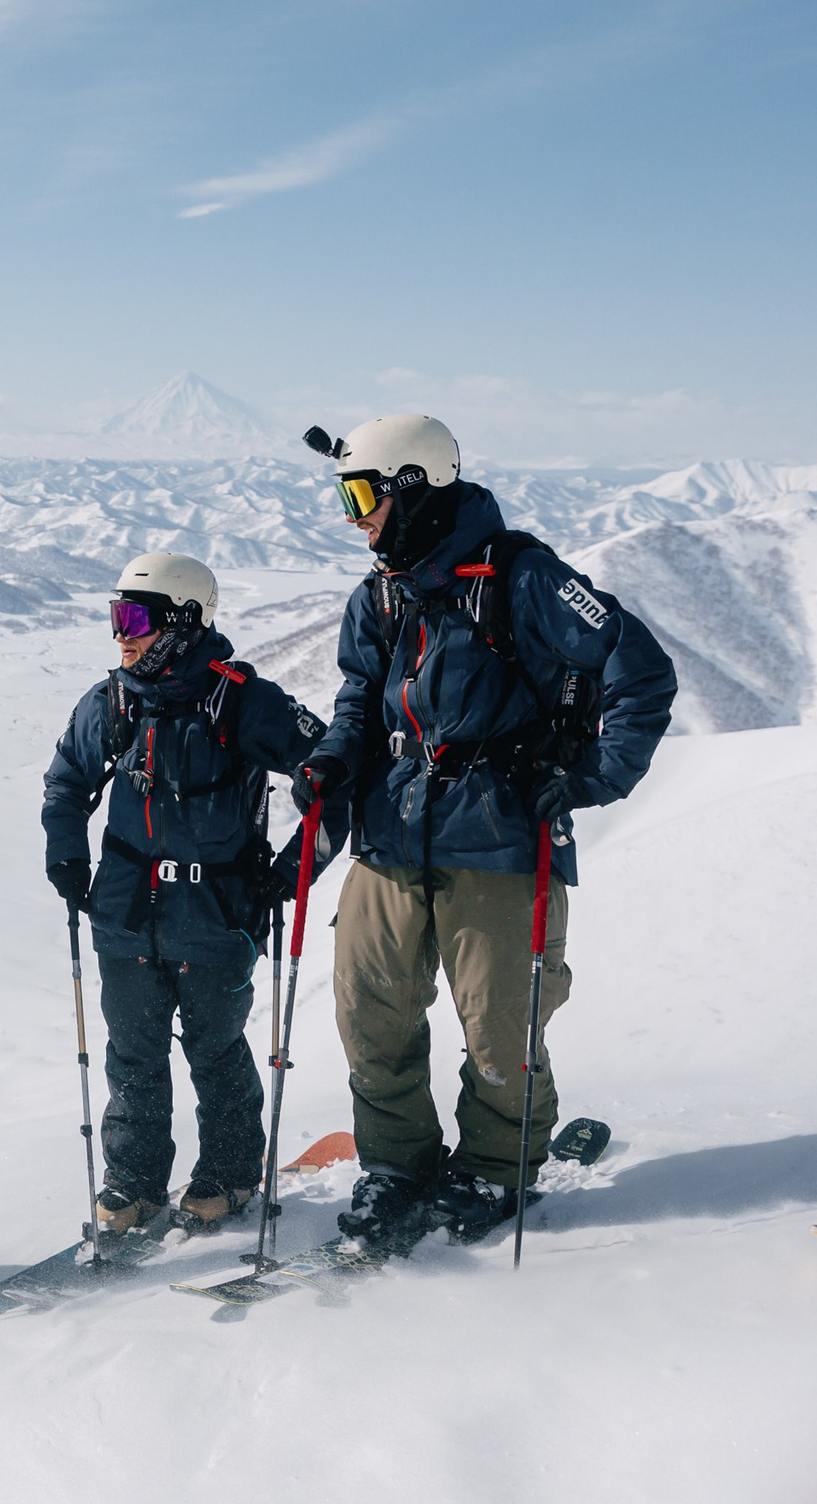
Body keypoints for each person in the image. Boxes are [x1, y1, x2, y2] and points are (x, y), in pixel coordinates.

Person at [297, 416, 675, 1247]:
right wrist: (331, 758)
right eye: (343, 497)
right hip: (392, 834)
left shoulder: (520, 575)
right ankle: (397, 1163)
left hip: (500, 839)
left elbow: (636, 667)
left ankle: (497, 1167)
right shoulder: (383, 591)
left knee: (501, 1022)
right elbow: (360, 695)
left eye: (361, 496)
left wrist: (593, 775)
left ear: (413, 488)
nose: (352, 517)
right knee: (370, 1011)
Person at [41, 552, 337, 1237]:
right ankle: (134, 1182)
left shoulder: (242, 700)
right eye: (117, 616)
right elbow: (65, 782)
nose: (122, 633)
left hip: (215, 917)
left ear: (183, 621)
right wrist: (65, 852)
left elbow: (330, 782)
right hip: (124, 914)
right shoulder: (110, 701)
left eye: (136, 617)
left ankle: (231, 1175)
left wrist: (292, 871)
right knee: (133, 1055)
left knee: (216, 1050)